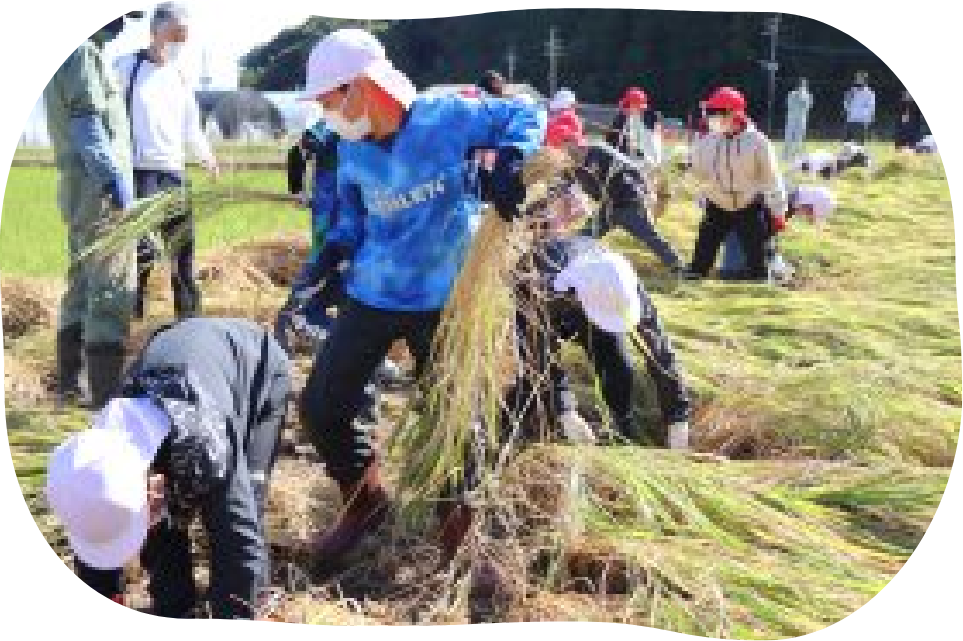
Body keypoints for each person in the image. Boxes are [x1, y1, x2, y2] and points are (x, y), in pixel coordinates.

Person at [294, 28, 545, 569]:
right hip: (374, 292)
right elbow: (351, 220)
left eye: (328, 97)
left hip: (446, 296)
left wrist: (511, 161)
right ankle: (366, 502)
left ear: (363, 86)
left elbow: (526, 113)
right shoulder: (350, 147)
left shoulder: (444, 116)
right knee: (322, 406)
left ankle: (457, 528)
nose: (323, 110)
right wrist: (329, 261)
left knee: (452, 417)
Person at [46, 318, 292, 619]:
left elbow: (240, 546)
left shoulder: (205, 447)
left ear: (152, 489)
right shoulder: (94, 461)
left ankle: (256, 603)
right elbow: (97, 538)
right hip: (181, 364)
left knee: (243, 512)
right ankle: (179, 606)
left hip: (256, 366)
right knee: (162, 528)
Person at [45, 13, 143, 411]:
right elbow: (88, 127)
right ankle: (107, 401)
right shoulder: (85, 54)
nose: (124, 23)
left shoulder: (84, 54)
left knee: (81, 287)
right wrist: (114, 183)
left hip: (78, 192)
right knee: (111, 290)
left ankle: (70, 390)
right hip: (98, 193)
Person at [116, 3, 219, 322]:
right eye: (174, 35)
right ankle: (132, 324)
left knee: (182, 253)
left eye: (183, 38)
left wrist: (206, 157)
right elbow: (107, 117)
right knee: (142, 253)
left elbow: (190, 127)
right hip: (140, 172)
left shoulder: (179, 76)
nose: (178, 43)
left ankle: (189, 322)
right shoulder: (125, 67)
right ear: (154, 32)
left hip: (174, 173)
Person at [683, 87, 787, 282]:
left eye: (716, 113)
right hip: (717, 203)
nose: (711, 119)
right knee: (704, 247)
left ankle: (760, 282)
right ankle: (694, 276)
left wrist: (778, 212)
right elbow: (699, 172)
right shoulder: (708, 142)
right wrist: (686, 164)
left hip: (748, 205)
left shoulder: (758, 142)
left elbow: (772, 178)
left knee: (757, 252)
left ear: (733, 113)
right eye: (711, 113)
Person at [784, 77, 813, 163]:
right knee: (789, 135)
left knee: (799, 137)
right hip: (792, 118)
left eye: (804, 84)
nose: (802, 86)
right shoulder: (792, 94)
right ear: (798, 85)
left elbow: (808, 107)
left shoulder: (808, 95)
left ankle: (796, 155)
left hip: (802, 119)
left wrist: (803, 103)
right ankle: (786, 154)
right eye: (801, 84)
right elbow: (789, 105)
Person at [843, 72, 875, 145]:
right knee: (847, 143)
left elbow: (871, 107)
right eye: (857, 79)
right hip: (850, 120)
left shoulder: (869, 93)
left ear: (864, 80)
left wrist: (864, 118)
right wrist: (848, 103)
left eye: (860, 79)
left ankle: (859, 155)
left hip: (861, 121)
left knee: (859, 144)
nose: (858, 80)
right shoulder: (851, 91)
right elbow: (846, 103)